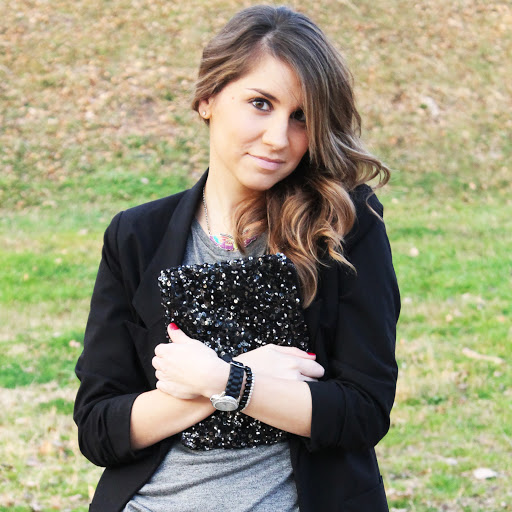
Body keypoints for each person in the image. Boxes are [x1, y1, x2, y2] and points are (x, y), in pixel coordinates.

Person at [74, 5, 400, 512]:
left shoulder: (342, 227)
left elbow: (363, 411)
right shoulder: (136, 236)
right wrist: (233, 379)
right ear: (207, 98)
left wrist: (227, 381)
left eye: (301, 117)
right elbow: (99, 428)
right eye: (260, 103)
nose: (279, 138)